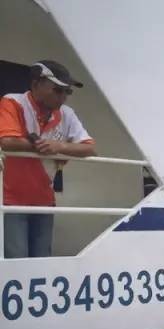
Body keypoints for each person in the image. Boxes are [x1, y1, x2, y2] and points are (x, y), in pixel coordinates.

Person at [0, 60, 96, 258]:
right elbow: (7, 141)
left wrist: (59, 146)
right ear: (36, 84)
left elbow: (89, 148)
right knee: (16, 259)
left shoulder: (67, 114)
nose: (63, 97)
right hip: (10, 199)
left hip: (44, 199)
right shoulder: (13, 102)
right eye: (57, 90)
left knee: (42, 259)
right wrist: (45, 146)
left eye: (67, 92)